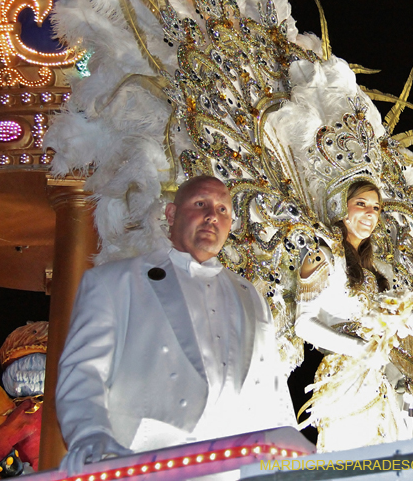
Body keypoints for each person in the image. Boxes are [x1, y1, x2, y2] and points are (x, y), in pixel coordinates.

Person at [56, 175, 296, 473]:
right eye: (200, 204)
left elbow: (270, 383)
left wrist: (291, 452)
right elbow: (84, 371)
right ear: (171, 214)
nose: (212, 216)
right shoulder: (114, 283)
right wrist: (89, 435)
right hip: (142, 464)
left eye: (222, 210)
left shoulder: (251, 297)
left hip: (232, 468)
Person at [294, 181, 413, 451]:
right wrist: (361, 348)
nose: (370, 213)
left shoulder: (376, 276)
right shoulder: (322, 256)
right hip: (343, 380)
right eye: (361, 204)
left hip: (378, 383)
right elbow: (304, 325)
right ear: (340, 205)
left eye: (376, 207)